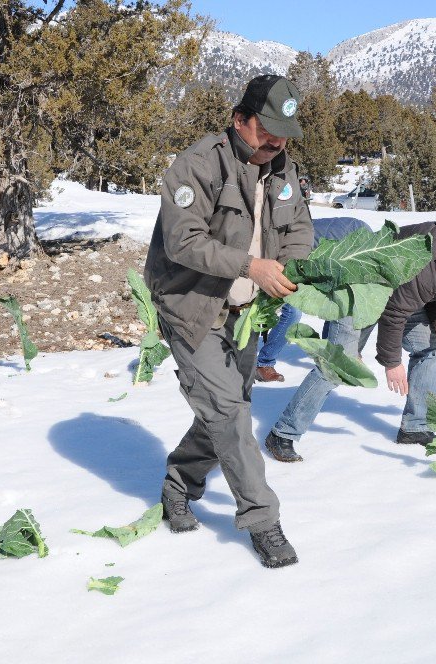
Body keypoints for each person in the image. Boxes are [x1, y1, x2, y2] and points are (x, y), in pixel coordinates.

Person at [144, 74, 313, 568]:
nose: (276, 143)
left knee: (227, 409)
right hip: (190, 307)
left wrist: (294, 270)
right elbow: (184, 242)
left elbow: (299, 229)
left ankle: (179, 483)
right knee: (230, 414)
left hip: (245, 314)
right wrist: (250, 266)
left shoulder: (283, 171)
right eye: (268, 131)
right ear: (241, 120)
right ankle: (262, 520)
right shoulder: (196, 165)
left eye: (285, 132)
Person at [265, 215, 436, 461]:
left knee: (432, 346)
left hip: (397, 295)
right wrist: (391, 362)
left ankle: (415, 427)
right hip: (362, 289)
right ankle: (283, 433)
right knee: (337, 365)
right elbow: (394, 311)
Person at [255, 217, 371, 383]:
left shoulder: (362, 234)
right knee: (293, 312)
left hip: (313, 255)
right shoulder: (358, 248)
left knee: (336, 304)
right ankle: (263, 363)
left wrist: (353, 351)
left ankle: (327, 355)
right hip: (290, 253)